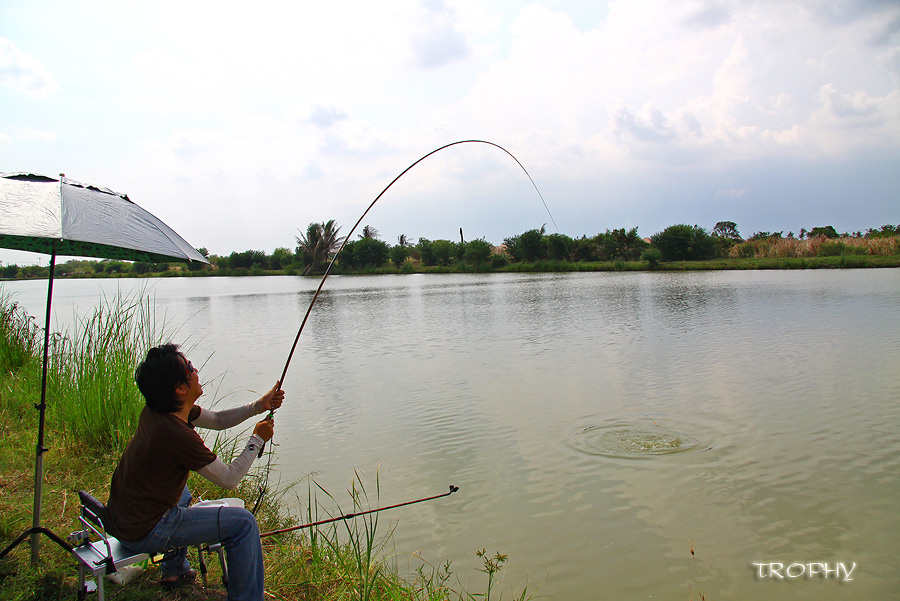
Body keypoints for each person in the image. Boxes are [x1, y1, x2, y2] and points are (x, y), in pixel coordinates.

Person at [105, 343, 284, 601]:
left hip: (125, 520)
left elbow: (219, 421)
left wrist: (259, 405)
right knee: (244, 524)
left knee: (182, 491)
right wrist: (257, 439)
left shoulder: (160, 410)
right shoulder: (176, 434)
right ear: (180, 389)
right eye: (190, 369)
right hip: (145, 531)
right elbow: (229, 479)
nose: (196, 370)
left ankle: (174, 572)